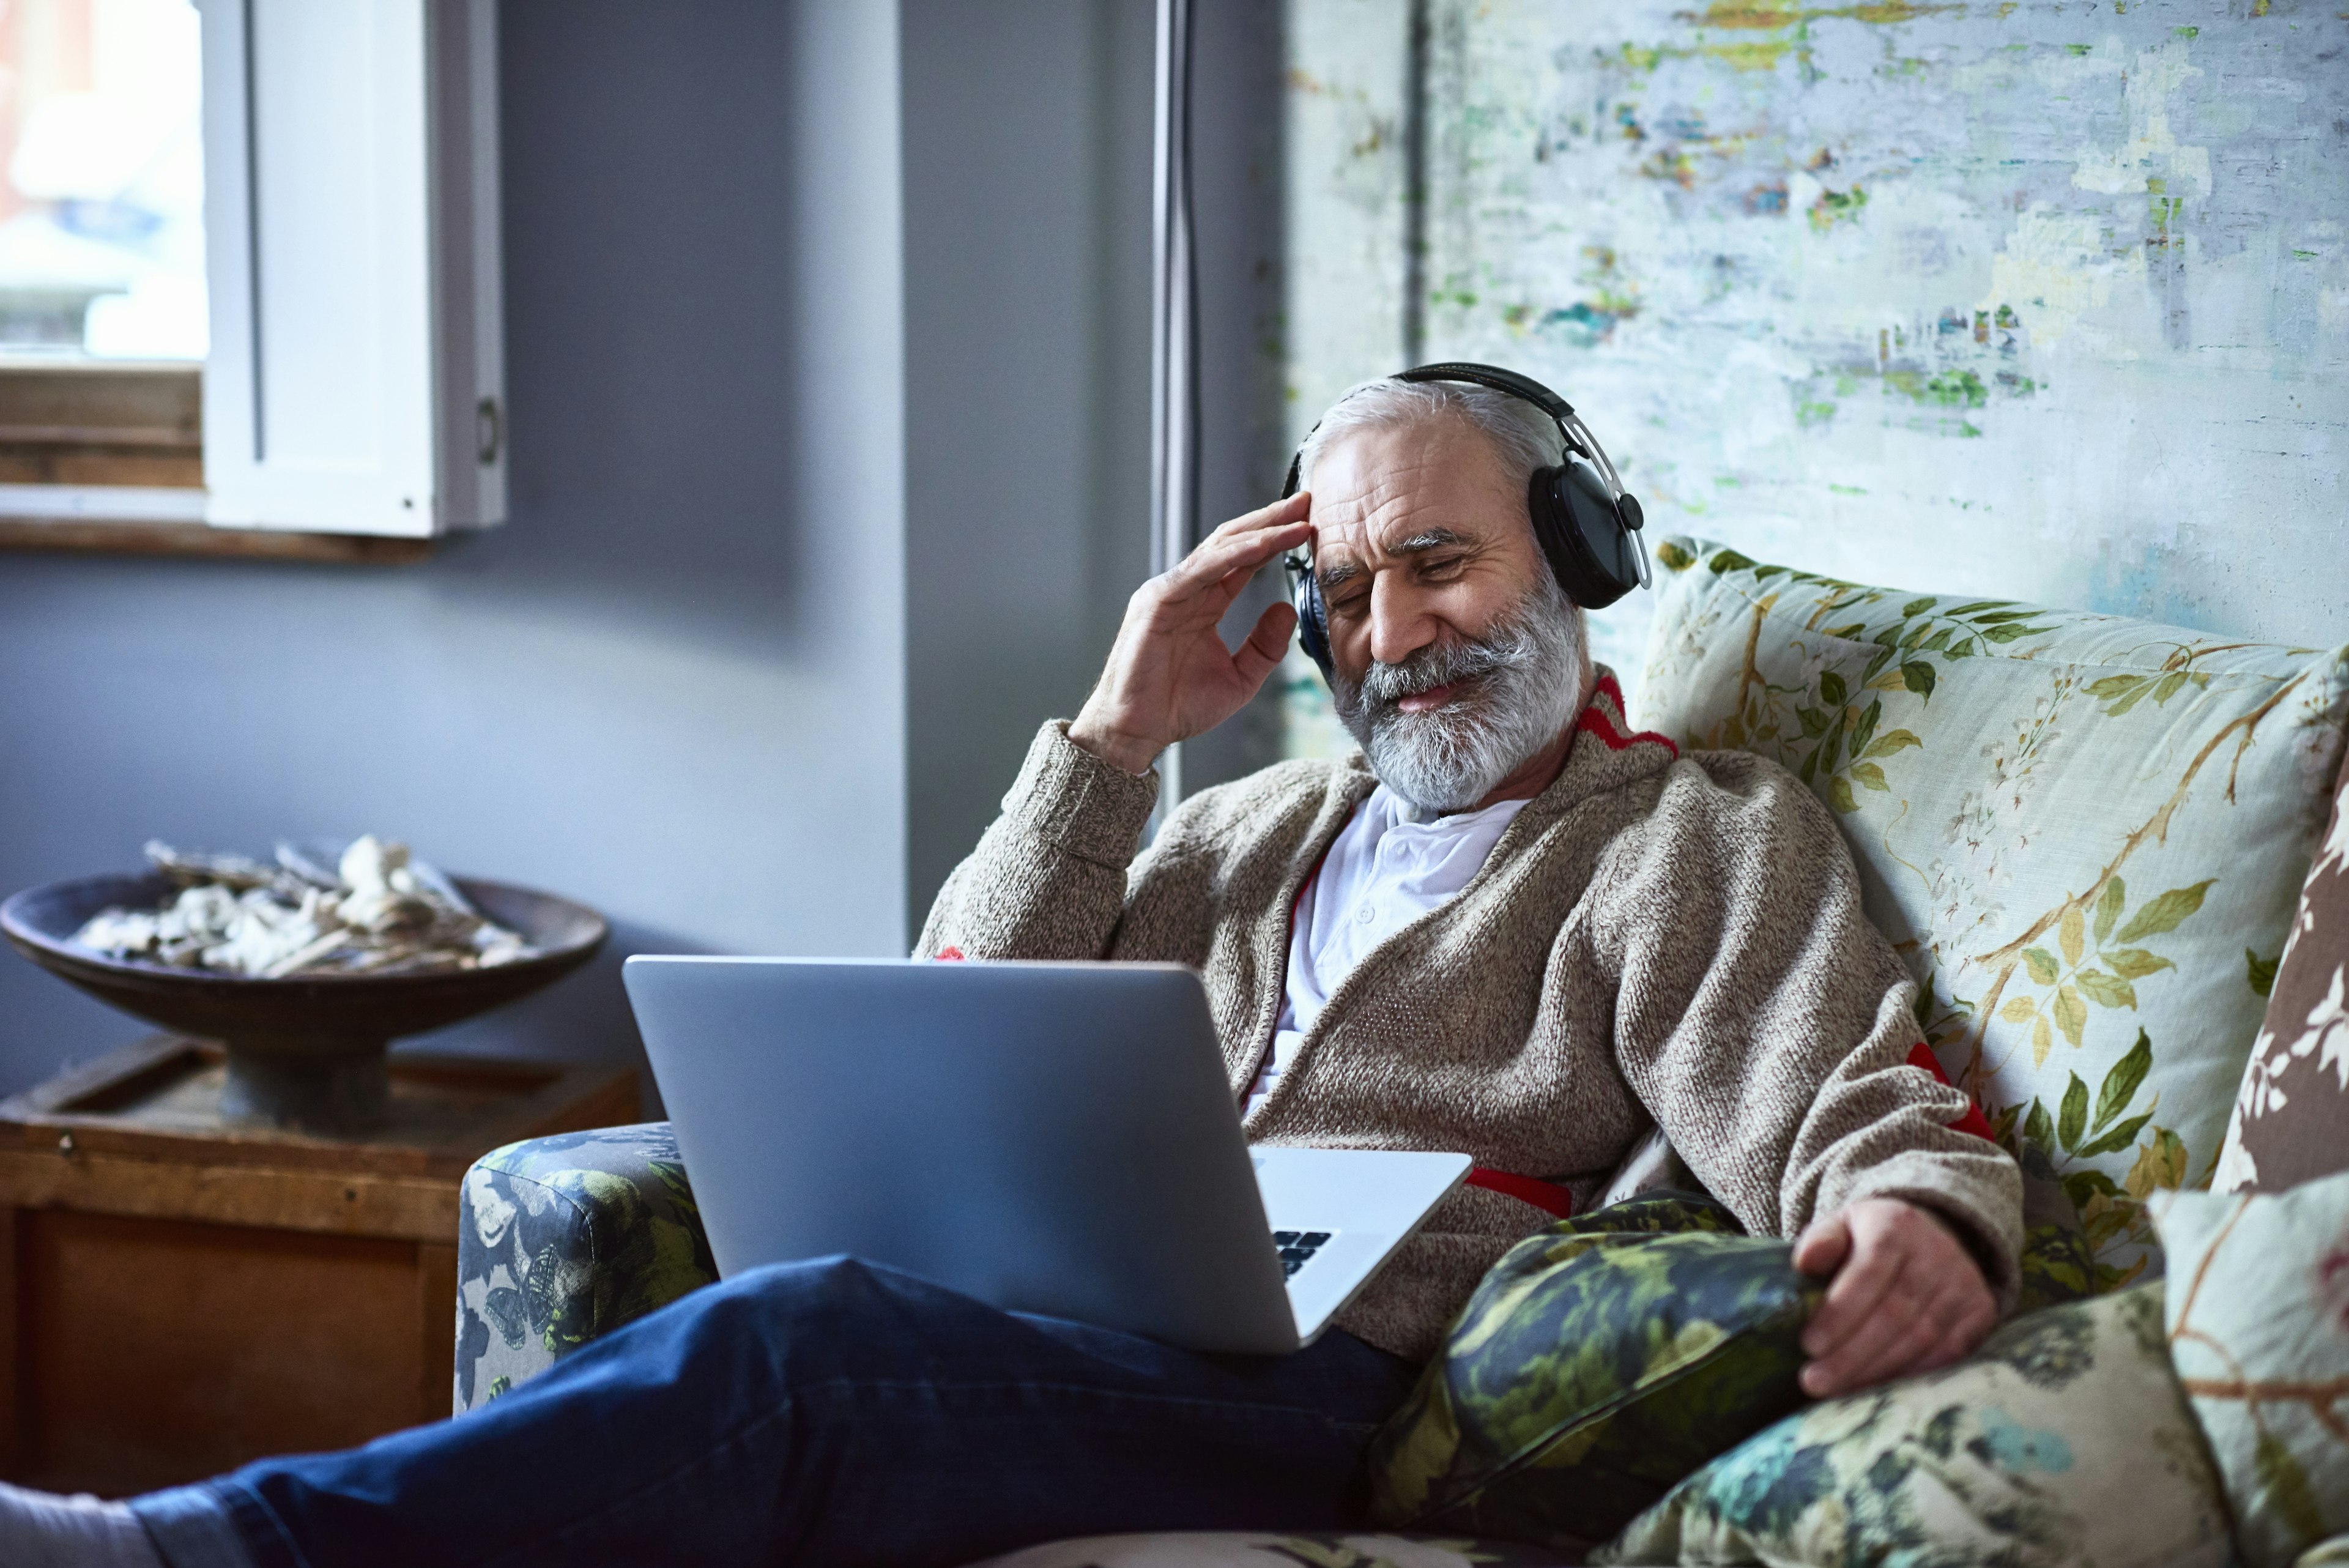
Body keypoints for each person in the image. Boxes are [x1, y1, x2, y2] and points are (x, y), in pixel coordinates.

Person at [1, 374, 2019, 1568]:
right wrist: (1118, 737)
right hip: (1068, 1309)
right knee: (741, 1296)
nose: (1388, 631)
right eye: (1339, 589)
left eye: (1442, 561)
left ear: (1573, 554)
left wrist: (1923, 1214)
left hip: (1335, 1376)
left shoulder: (1681, 840)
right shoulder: (1249, 826)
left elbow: (1840, 1091)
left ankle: (199, 1549)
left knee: (799, 1345)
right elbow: (954, 1009)